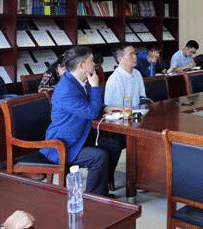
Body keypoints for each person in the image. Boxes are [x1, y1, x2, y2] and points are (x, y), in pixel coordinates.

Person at [40, 46, 122, 196]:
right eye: (91, 61)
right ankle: (94, 197)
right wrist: (95, 86)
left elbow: (87, 105)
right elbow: (91, 112)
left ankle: (101, 190)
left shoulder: (79, 81)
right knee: (99, 156)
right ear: (82, 65)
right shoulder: (67, 89)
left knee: (114, 146)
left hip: (80, 136)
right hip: (64, 143)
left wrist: (105, 108)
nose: (95, 64)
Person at [104, 44, 146, 109]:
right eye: (131, 54)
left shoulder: (137, 73)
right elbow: (115, 110)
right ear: (120, 59)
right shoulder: (114, 79)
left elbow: (142, 98)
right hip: (123, 114)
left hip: (139, 112)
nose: (135, 57)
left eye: (135, 53)